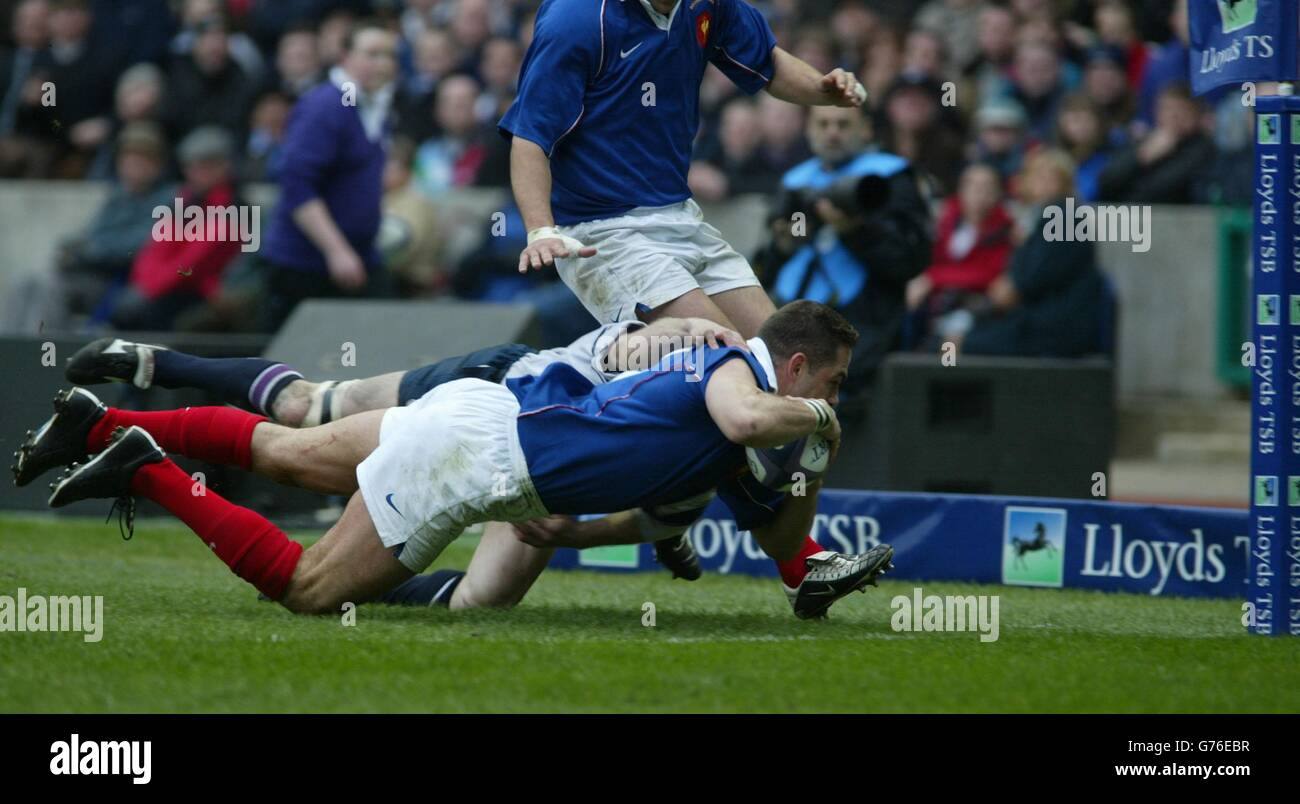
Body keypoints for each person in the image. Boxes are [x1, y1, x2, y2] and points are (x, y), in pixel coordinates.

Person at [17, 302, 893, 621]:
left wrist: (813, 456)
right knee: (307, 590)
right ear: (799, 366)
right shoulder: (734, 367)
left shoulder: (739, 415)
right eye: (833, 384)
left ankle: (103, 425)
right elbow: (744, 418)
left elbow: (780, 524)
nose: (835, 399)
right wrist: (813, 416)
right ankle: (144, 466)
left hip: (486, 416)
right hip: (479, 455)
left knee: (291, 449)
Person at [502, 0, 866, 344]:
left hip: (682, 218)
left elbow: (767, 63)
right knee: (729, 356)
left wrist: (821, 89)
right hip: (603, 232)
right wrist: (540, 229)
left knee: (780, 358)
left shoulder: (708, 6)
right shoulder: (576, 18)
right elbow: (531, 135)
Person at [757, 104, 932, 394]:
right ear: (808, 129)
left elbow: (911, 261)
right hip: (791, 328)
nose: (832, 133)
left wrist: (854, 230)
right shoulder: (795, 181)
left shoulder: (891, 177)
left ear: (865, 129)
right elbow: (769, 267)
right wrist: (783, 245)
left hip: (862, 334)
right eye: (823, 124)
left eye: (843, 124)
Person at [258, 20, 397, 330]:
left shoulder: (376, 108)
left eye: (390, 55)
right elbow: (297, 184)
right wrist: (336, 250)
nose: (384, 64)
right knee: (292, 367)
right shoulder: (325, 106)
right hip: (305, 265)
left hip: (359, 258)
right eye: (372, 54)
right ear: (345, 57)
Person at [906, 161, 1013, 347]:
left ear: (998, 193)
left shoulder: (1005, 228)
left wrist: (933, 279)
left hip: (975, 305)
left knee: (953, 338)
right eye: (972, 186)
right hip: (937, 301)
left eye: (987, 187)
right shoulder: (945, 219)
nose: (980, 194)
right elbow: (930, 260)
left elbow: (989, 273)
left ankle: (947, 371)